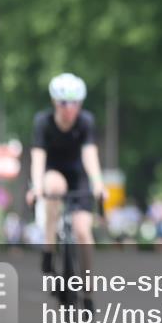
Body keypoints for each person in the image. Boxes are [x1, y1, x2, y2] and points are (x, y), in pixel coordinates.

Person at [25, 73, 105, 311]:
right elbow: (37, 158)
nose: (69, 109)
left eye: (74, 103)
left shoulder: (86, 122)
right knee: (54, 188)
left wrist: (98, 183)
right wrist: (36, 186)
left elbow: (90, 155)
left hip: (78, 175)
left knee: (82, 230)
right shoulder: (43, 122)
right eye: (63, 103)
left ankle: (88, 292)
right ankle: (49, 251)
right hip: (53, 173)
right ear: (54, 102)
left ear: (80, 104)